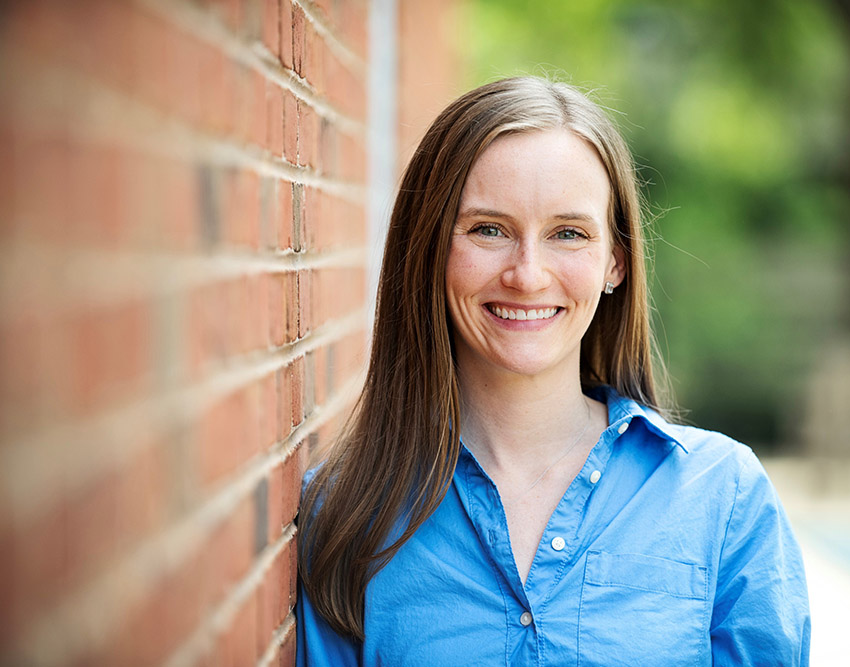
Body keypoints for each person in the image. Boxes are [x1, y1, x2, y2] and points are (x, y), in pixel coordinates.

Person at [296, 76, 810, 665]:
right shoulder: (348, 516)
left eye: (568, 233)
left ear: (614, 262)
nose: (528, 273)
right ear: (431, 246)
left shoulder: (723, 497)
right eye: (489, 229)